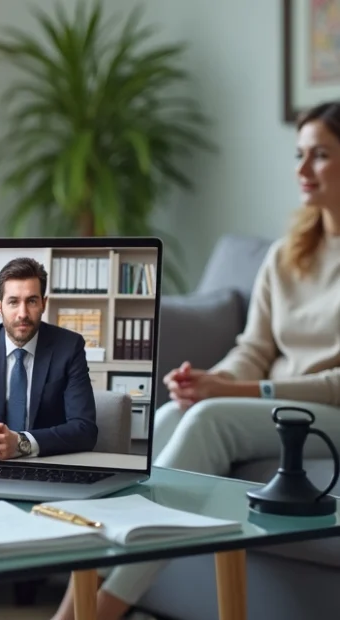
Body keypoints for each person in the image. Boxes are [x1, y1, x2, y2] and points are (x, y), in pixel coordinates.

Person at [50, 101, 340, 620]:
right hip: (272, 407)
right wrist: (214, 378)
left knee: (209, 418)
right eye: (299, 155)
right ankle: (80, 593)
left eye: (319, 156)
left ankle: (100, 612)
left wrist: (234, 393)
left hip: (324, 415)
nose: (301, 170)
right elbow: (255, 349)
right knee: (166, 416)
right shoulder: (288, 253)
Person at [0, 257, 98, 459]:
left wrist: (21, 443)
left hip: (50, 462)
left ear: (43, 304)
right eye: (13, 302)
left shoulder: (69, 347)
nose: (23, 313)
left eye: (31, 301)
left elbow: (85, 430)